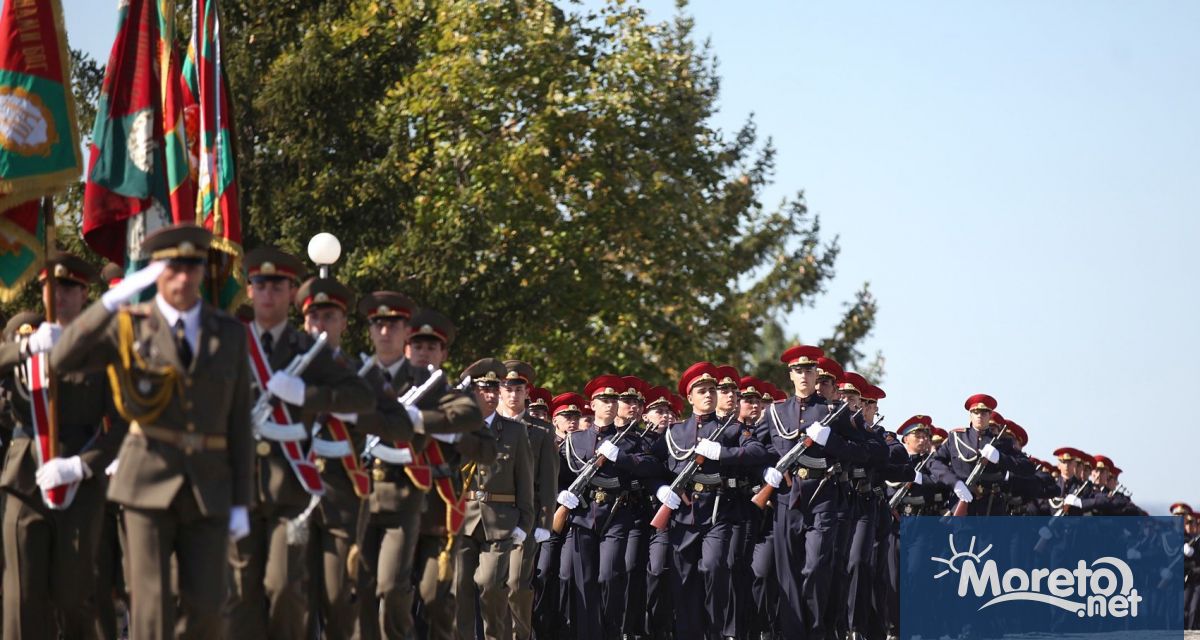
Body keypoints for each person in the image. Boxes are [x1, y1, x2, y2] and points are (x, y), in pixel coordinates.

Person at [48, 224, 252, 639]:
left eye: (192, 265)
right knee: (151, 607)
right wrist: (108, 304)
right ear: (156, 271)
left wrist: (240, 501)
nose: (183, 277)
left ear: (202, 269)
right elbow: (61, 359)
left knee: (209, 608)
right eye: (172, 267)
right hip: (146, 480)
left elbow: (239, 422)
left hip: (208, 484)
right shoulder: (130, 326)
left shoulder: (228, 332)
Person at [227, 246, 374, 639]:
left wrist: (306, 396)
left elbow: (361, 397)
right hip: (238, 488)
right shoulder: (230, 343)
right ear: (249, 290)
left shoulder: (309, 349)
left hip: (292, 491)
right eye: (260, 285)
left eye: (278, 286)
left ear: (292, 293)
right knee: (240, 595)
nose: (268, 294)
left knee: (285, 589)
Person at [0, 254, 124, 639]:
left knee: (74, 597)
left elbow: (122, 424)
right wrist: (25, 349)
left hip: (79, 484)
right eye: (51, 287)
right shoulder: (25, 343)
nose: (59, 295)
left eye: (69, 287)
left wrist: (83, 465)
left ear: (85, 294)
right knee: (21, 597)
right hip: (25, 478)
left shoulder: (104, 349)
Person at [453, 358, 535, 640]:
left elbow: (525, 480)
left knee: (489, 585)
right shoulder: (457, 429)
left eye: (493, 388)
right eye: (483, 388)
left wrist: (525, 523)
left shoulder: (514, 431)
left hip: (501, 521)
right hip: (462, 518)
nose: (489, 394)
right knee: (459, 588)